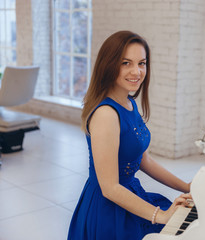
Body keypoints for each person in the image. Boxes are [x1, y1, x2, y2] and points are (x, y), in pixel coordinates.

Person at [68, 31, 192, 240]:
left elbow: (144, 159)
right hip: (108, 209)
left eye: (141, 63)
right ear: (108, 65)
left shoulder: (128, 102)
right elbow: (110, 188)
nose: (137, 71)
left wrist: (188, 187)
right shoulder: (106, 114)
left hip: (130, 193)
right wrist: (160, 216)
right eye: (126, 63)